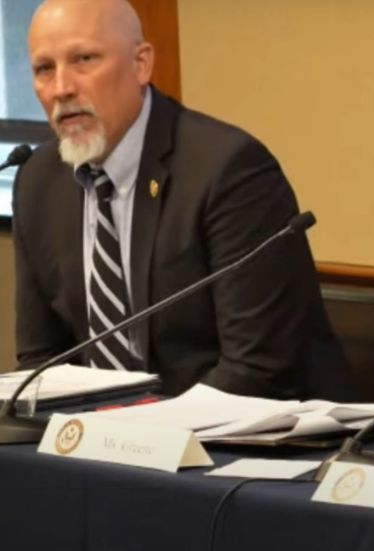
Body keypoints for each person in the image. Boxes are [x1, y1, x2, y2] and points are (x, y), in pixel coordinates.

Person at [13, 0, 350, 401]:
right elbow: (41, 361)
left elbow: (259, 368)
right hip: (103, 447)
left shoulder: (229, 170)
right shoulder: (38, 179)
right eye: (44, 69)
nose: (62, 88)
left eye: (84, 59)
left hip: (247, 440)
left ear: (141, 63)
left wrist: (136, 433)